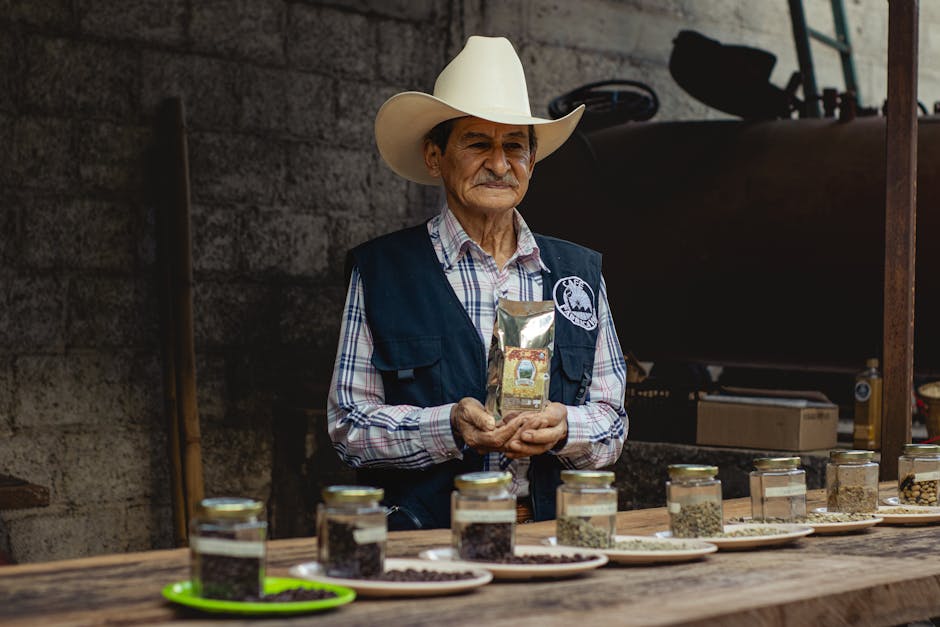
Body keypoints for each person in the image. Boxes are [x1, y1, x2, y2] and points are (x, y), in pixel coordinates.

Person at [327, 35, 628, 530]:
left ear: (532, 161)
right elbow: (348, 425)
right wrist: (445, 426)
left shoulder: (577, 274)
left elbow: (612, 424)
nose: (499, 163)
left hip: (551, 534)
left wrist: (565, 427)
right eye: (477, 143)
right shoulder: (382, 271)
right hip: (427, 539)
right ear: (434, 157)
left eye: (515, 146)